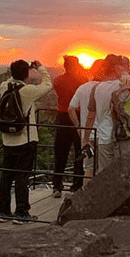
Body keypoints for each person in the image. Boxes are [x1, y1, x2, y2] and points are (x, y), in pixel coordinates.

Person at [0, 60, 52, 221]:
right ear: (26, 74)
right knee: (22, 177)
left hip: (7, 140)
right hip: (25, 140)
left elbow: (8, 81)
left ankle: (3, 211)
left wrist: (14, 74)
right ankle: (21, 212)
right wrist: (40, 68)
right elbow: (48, 85)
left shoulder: (4, 87)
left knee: (6, 176)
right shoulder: (26, 91)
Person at [82, 55, 130, 173]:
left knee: (106, 174)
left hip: (104, 138)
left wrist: (86, 139)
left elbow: (90, 117)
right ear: (116, 68)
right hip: (124, 135)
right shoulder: (126, 85)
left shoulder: (96, 88)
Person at [52, 56, 86, 197]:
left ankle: (57, 186)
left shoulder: (58, 81)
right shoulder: (82, 81)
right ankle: (76, 186)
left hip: (62, 117)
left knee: (60, 153)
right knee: (79, 152)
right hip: (78, 116)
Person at [69, 60, 105, 181]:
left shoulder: (82, 88)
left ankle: (87, 197)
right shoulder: (106, 89)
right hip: (104, 136)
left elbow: (71, 109)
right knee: (103, 169)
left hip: (87, 135)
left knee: (88, 169)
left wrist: (79, 127)